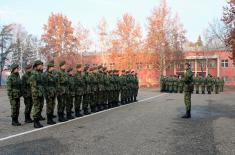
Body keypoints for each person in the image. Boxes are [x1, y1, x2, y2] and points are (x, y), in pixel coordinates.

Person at [30, 60, 45, 128]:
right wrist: (36, 94)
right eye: (40, 65)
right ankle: (35, 122)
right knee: (36, 107)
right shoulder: (34, 74)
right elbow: (33, 86)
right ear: (36, 66)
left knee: (40, 106)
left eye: (42, 65)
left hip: (40, 93)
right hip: (36, 94)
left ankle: (38, 121)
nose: (42, 66)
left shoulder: (40, 73)